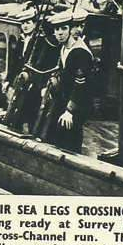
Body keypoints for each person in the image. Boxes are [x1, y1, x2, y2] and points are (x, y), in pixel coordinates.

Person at [45, 11, 94, 153]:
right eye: (56, 29)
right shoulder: (64, 48)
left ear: (71, 29)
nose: (59, 33)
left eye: (63, 28)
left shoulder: (80, 52)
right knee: (56, 138)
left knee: (70, 141)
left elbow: (81, 84)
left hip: (77, 104)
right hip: (64, 100)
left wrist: (69, 111)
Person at [4, 8, 41, 131]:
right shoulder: (21, 40)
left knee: (31, 113)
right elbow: (15, 63)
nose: (25, 26)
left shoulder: (39, 42)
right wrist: (8, 81)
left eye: (28, 23)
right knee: (17, 110)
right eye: (23, 23)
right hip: (21, 82)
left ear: (35, 24)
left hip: (34, 84)